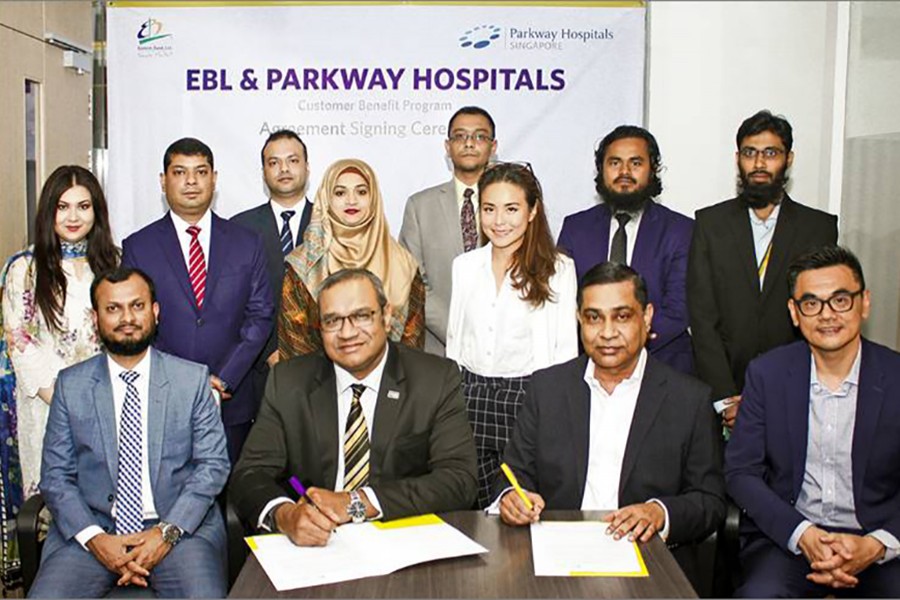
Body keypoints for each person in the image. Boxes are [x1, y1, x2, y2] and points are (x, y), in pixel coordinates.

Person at [495, 262, 726, 590]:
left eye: (622, 316)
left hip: (647, 561)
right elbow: (513, 473)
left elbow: (710, 501)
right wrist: (511, 498)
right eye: (593, 318)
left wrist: (659, 513)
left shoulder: (689, 399)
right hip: (555, 561)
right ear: (579, 320)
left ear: (646, 317)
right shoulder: (547, 388)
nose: (606, 333)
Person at [231, 269, 477, 545]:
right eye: (332, 320)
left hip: (402, 539)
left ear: (386, 316)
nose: (347, 333)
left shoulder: (434, 379)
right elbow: (249, 474)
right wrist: (285, 515)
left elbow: (459, 480)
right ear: (320, 328)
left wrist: (356, 503)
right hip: (316, 547)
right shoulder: (289, 382)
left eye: (361, 315)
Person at [30, 267, 230, 598]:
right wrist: (96, 539)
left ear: (155, 311)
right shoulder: (71, 385)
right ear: (96, 318)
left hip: (178, 532)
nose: (127, 318)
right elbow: (56, 476)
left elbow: (212, 467)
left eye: (137, 306)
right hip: (92, 533)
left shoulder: (191, 380)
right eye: (113, 308)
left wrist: (164, 534)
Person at [726, 246, 900, 597]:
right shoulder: (767, 374)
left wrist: (879, 544)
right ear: (794, 312)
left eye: (840, 300)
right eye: (811, 303)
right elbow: (740, 472)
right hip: (789, 536)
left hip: (880, 540)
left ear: (864, 302)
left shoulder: (895, 376)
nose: (827, 315)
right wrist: (802, 533)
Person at [122, 137, 274, 463]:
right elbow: (134, 323)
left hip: (231, 402)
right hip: (164, 397)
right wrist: (188, 380)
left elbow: (260, 315)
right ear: (164, 181)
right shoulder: (139, 246)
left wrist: (224, 378)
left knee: (232, 506)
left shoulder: (247, 243)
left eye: (200, 172)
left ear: (214, 179)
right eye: (180, 172)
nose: (191, 181)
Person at [687, 110, 838, 428]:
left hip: (795, 391)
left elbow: (819, 316)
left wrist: (787, 387)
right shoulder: (710, 224)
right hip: (722, 393)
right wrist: (726, 398)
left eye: (770, 153)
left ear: (789, 158)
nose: (759, 164)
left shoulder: (819, 228)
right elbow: (702, 318)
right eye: (750, 153)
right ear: (737, 159)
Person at [446, 162, 577, 508]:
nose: (499, 221)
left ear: (533, 211)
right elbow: (455, 342)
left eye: (511, 209)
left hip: (528, 396)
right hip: (469, 396)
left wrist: (553, 410)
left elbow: (564, 351)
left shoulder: (559, 269)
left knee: (517, 503)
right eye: (489, 209)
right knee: (469, 503)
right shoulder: (465, 266)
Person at [2, 165, 118, 499]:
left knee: (105, 504)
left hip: (108, 407)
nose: (73, 216)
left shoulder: (115, 264)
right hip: (47, 406)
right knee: (51, 511)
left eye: (83, 206)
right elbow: (21, 343)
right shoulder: (24, 269)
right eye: (62, 206)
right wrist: (69, 404)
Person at [558, 125, 694, 374]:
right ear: (602, 170)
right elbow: (564, 304)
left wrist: (622, 345)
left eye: (635, 163)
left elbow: (678, 310)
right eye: (615, 163)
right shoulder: (575, 227)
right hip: (588, 368)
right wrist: (599, 345)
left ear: (652, 169)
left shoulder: (681, 230)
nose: (624, 172)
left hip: (662, 367)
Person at [279, 158, 424, 358]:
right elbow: (295, 343)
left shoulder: (402, 263)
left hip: (391, 383)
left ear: (374, 198)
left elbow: (412, 345)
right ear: (326, 199)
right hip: (318, 384)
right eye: (340, 193)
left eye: (362, 192)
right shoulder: (303, 265)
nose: (351, 200)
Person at [399, 106, 497, 356]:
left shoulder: (513, 205)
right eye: (460, 136)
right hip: (438, 349)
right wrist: (457, 332)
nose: (469, 143)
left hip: (503, 349)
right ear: (447, 145)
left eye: (479, 136)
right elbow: (413, 282)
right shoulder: (419, 206)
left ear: (493, 146)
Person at [232, 129, 314, 368]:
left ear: (307, 168)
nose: (284, 169)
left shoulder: (330, 223)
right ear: (264, 172)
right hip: (256, 366)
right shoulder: (239, 228)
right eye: (274, 162)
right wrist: (269, 351)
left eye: (293, 160)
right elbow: (234, 301)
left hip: (321, 364)